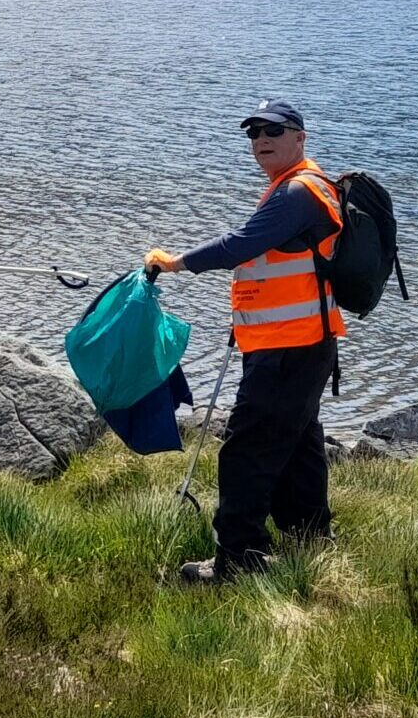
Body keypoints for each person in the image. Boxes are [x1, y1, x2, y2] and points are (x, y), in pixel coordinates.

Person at [144, 99, 344, 582]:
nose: (261, 140)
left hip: (289, 347)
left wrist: (174, 263)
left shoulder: (298, 192)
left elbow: (240, 245)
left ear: (300, 137)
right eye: (254, 133)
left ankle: (238, 558)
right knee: (297, 444)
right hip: (297, 345)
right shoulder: (296, 188)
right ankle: (310, 541)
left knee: (245, 450)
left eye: (274, 130)